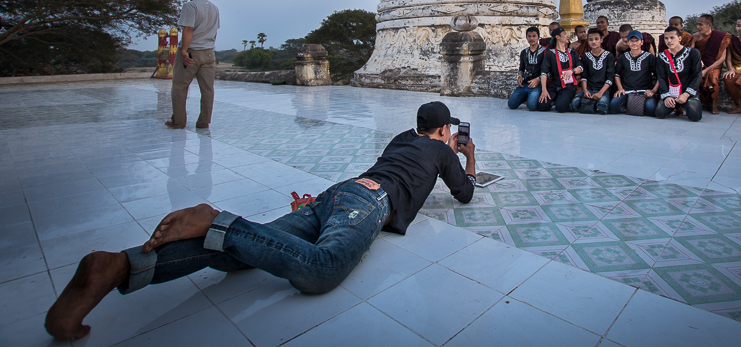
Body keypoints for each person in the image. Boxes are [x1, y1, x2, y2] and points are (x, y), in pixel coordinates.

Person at [45, 102, 476, 340]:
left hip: (338, 193)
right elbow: (465, 194)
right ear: (442, 131)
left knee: (236, 257)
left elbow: (408, 156)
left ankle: (119, 266)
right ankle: (218, 219)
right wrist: (467, 156)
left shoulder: (403, 138)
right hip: (368, 202)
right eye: (448, 132)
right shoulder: (442, 150)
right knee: (322, 270)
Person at [165, 0, 220, 129]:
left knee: (180, 87)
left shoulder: (190, 6)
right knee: (207, 90)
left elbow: (188, 29)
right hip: (209, 53)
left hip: (192, 52)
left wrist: (183, 51)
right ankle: (204, 122)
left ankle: (178, 122)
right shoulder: (214, 8)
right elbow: (214, 33)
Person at [655, 26, 703, 122]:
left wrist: (686, 94)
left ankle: (686, 104)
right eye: (666, 38)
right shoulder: (662, 56)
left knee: (695, 116)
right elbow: (661, 77)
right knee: (660, 113)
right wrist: (666, 96)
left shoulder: (693, 53)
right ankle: (676, 106)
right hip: (672, 93)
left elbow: (697, 75)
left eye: (672, 37)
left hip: (688, 92)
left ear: (679, 38)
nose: (669, 41)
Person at [610, 30, 659, 116]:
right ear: (628, 43)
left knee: (651, 109)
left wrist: (653, 91)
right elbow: (616, 74)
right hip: (627, 91)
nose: (634, 43)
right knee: (613, 106)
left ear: (642, 42)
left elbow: (659, 75)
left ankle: (636, 106)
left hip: (644, 91)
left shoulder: (649, 57)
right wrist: (620, 88)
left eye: (637, 41)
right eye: (632, 41)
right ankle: (630, 105)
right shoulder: (623, 57)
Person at [692, 14, 732, 115]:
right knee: (693, 77)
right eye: (697, 24)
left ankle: (714, 104)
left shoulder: (720, 37)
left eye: (701, 25)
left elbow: (722, 58)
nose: (698, 27)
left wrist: (706, 69)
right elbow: (691, 53)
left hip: (714, 65)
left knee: (713, 77)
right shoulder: (695, 37)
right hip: (700, 64)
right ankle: (695, 102)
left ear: (709, 25)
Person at [538, 27, 583, 113]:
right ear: (557, 37)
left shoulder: (572, 52)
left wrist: (572, 71)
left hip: (569, 86)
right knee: (542, 106)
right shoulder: (550, 53)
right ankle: (558, 99)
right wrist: (544, 90)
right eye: (565, 34)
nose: (567, 36)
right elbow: (544, 72)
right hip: (555, 85)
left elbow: (580, 67)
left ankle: (564, 100)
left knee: (560, 108)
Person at [572, 28, 615, 114]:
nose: (593, 42)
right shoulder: (586, 56)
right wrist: (585, 91)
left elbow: (610, 77)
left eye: (596, 39)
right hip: (589, 88)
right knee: (574, 104)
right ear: (588, 41)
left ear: (601, 40)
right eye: (591, 40)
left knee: (602, 108)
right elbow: (584, 76)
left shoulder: (608, 56)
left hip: (603, 89)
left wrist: (600, 93)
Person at [508, 27, 544, 111]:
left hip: (538, 84)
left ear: (538, 37)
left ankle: (531, 97)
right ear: (526, 37)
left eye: (534, 36)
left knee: (531, 106)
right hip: (525, 83)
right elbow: (521, 69)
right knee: (511, 104)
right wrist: (519, 77)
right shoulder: (524, 52)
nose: (531, 38)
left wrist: (538, 79)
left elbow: (549, 71)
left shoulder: (545, 52)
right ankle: (526, 96)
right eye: (529, 36)